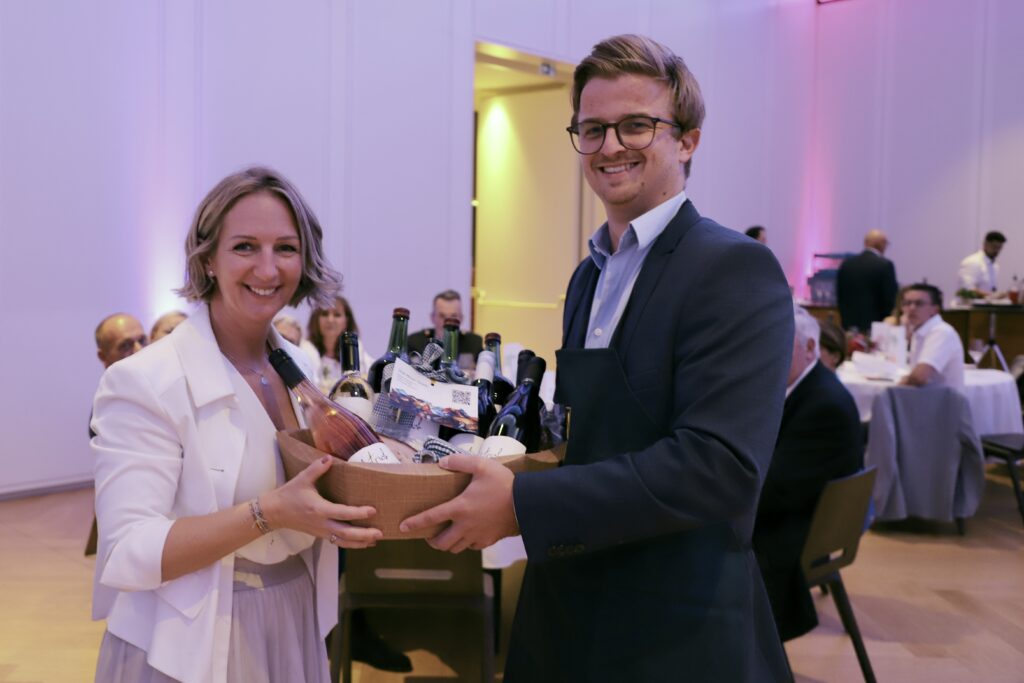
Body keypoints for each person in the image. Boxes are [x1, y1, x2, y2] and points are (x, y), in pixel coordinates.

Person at [401, 34, 793, 682]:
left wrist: (523, 503)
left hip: (675, 618)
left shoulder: (734, 268)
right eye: (592, 129)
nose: (610, 146)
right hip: (571, 602)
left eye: (636, 125)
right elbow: (594, 435)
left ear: (688, 140)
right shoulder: (589, 275)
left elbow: (720, 466)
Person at [91, 166, 383, 683]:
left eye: (286, 248)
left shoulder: (300, 367)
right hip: (187, 643)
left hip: (294, 618)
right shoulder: (146, 380)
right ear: (208, 258)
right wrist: (269, 513)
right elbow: (127, 552)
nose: (267, 269)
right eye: (245, 246)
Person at [753, 305, 862, 642]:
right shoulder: (807, 388)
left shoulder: (823, 405)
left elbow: (775, 490)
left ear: (811, 348)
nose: (766, 355)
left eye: (777, 344)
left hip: (798, 532)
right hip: (799, 513)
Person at [899, 283, 965, 389]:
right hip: (926, 397)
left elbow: (919, 377)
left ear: (935, 309)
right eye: (907, 303)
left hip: (943, 399)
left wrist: (899, 384)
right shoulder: (919, 330)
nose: (911, 308)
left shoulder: (941, 332)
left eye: (919, 304)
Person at [301, 295, 373, 393]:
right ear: (316, 319)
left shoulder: (357, 350)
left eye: (337, 315)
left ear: (346, 321)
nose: (330, 320)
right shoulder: (305, 350)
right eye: (325, 314)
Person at [836, 229, 898, 332]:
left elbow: (840, 295)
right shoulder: (885, 265)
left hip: (848, 324)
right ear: (882, 244)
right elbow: (889, 298)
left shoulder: (846, 264)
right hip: (876, 326)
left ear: (865, 243)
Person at [406, 289, 484, 367]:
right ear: (432, 317)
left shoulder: (473, 343)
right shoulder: (416, 342)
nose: (447, 322)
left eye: (453, 316)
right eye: (442, 316)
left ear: (461, 318)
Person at [958, 230, 1007, 298]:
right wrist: (992, 296)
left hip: (983, 304)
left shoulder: (995, 265)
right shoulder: (972, 262)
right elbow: (967, 290)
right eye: (994, 247)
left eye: (999, 248)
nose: (997, 250)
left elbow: (991, 291)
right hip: (966, 304)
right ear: (985, 244)